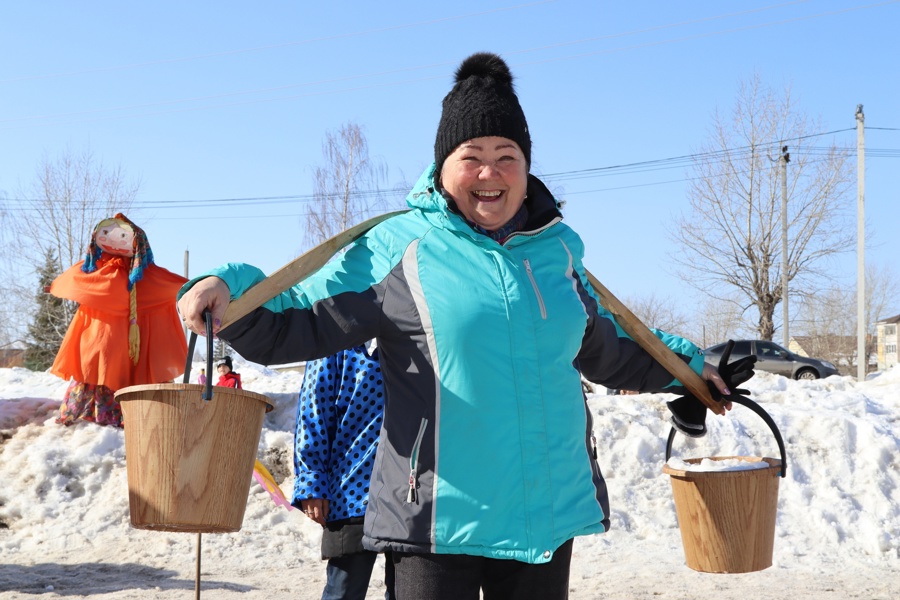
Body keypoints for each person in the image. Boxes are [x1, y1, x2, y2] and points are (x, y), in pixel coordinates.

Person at [178, 52, 750, 600]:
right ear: (442, 166)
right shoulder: (402, 246)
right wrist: (228, 283)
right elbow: (294, 315)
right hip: (435, 519)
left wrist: (689, 368)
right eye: (471, 155)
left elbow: (607, 348)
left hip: (543, 518)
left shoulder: (556, 253)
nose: (489, 172)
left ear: (527, 167)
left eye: (507, 156)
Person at [50, 213, 188, 427]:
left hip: (104, 339)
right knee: (100, 368)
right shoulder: (129, 272)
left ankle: (95, 414)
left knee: (98, 367)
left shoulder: (124, 272)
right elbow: (178, 286)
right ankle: (118, 415)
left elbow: (77, 281)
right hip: (109, 340)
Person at [293, 342, 394, 600]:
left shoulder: (414, 337)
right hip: (353, 489)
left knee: (409, 591)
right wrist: (311, 480)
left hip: (409, 489)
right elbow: (314, 410)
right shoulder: (336, 339)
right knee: (344, 591)